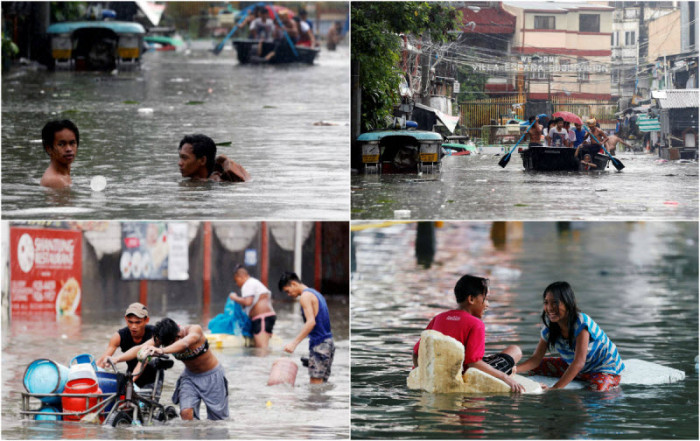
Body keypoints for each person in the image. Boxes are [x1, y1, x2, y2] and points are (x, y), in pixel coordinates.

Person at [412, 275, 525, 393]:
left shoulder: (438, 318)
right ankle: (510, 371)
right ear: (471, 299)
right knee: (515, 350)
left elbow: (416, 353)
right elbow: (473, 363)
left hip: (436, 377)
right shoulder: (476, 324)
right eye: (485, 298)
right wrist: (505, 378)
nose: (488, 304)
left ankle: (510, 370)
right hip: (467, 378)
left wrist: (422, 376)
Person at [107, 318, 229, 420]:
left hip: (212, 376)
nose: (165, 345)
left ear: (177, 336)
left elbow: (184, 343)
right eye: (163, 344)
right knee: (185, 413)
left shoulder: (193, 331)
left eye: (168, 344)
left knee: (217, 421)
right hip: (190, 377)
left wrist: (162, 350)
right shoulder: (164, 336)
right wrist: (117, 359)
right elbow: (140, 348)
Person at [517, 281, 624, 391]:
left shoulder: (581, 322)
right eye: (546, 303)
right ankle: (580, 376)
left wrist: (555, 388)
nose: (549, 308)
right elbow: (536, 359)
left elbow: (579, 362)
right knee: (538, 368)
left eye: (555, 303)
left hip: (604, 369)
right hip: (579, 369)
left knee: (597, 389)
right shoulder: (549, 327)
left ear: (568, 303)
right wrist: (513, 370)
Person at [278, 272, 334, 384]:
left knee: (315, 387)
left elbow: (311, 323)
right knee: (322, 385)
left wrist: (294, 343)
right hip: (328, 343)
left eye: (287, 291)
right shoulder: (316, 294)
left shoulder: (305, 296)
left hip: (319, 344)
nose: (288, 294)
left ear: (293, 284)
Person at [96, 303, 159, 388]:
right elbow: (102, 361)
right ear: (126, 319)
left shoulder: (154, 334)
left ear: (146, 320)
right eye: (130, 322)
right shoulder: (118, 336)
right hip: (130, 374)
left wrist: (129, 383)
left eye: (138, 322)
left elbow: (143, 361)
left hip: (153, 379)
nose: (133, 326)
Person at [228, 265, 276, 348]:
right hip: (265, 318)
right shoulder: (255, 283)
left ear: (242, 277)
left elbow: (248, 302)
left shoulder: (248, 284)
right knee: (260, 347)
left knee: (262, 348)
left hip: (262, 319)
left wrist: (234, 298)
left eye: (236, 281)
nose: (237, 284)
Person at [178, 134, 249, 182]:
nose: (179, 163)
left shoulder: (217, 181)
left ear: (202, 160)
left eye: (185, 158)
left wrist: (226, 162)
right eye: (180, 157)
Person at [40, 119, 79, 188]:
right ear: (49, 148)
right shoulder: (56, 181)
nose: (69, 149)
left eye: (72, 143)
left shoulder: (64, 174)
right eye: (61, 144)